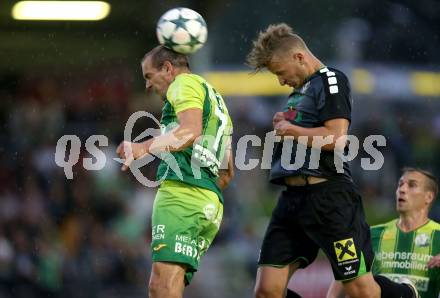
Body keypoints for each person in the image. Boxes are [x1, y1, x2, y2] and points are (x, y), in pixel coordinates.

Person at [246, 23, 418, 298]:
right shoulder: (297, 94)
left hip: (329, 199)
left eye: (280, 72)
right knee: (267, 290)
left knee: (360, 290)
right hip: (291, 201)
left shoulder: (331, 80)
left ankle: (404, 294)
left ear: (299, 57)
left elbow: (337, 139)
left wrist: (292, 130)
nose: (280, 80)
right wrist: (286, 125)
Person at [116, 45, 234, 298]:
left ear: (168, 69)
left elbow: (190, 132)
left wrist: (142, 148)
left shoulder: (182, 84)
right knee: (172, 285)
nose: (147, 85)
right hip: (209, 202)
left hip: (182, 195)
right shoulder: (214, 98)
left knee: (161, 287)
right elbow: (227, 171)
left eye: (149, 76)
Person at [327, 167, 440, 298]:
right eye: (400, 185)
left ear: (429, 196)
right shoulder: (371, 234)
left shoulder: (437, 235)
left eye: (412, 185)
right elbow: (342, 283)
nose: (402, 190)